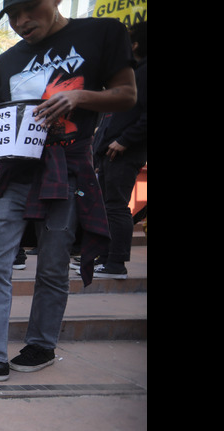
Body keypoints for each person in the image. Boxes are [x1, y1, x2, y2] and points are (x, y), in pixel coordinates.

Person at [0, 0, 137, 383]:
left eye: (29, 10)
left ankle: (41, 344)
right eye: (13, 15)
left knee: (52, 264)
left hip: (68, 168)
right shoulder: (7, 60)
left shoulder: (100, 33)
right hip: (14, 170)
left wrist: (81, 97)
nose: (20, 22)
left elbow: (127, 94)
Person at [91, 20, 146, 280]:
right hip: (109, 150)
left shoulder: (144, 72)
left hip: (123, 151)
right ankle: (105, 258)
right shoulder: (131, 73)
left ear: (134, 44)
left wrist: (124, 140)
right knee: (106, 206)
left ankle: (116, 263)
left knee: (115, 206)